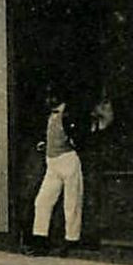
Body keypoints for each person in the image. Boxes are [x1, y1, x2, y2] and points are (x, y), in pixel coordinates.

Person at [31, 93, 84, 256]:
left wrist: (75, 142)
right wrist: (45, 144)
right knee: (42, 201)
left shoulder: (68, 113)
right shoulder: (51, 115)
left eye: (51, 96)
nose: (48, 100)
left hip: (67, 159)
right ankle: (40, 240)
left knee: (72, 202)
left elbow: (79, 134)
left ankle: (71, 241)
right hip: (52, 163)